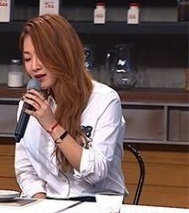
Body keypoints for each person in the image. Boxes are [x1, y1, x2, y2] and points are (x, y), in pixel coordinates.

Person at [14, 15, 127, 201]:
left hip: (95, 203)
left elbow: (97, 172)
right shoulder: (28, 105)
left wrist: (52, 126)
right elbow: (26, 170)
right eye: (28, 58)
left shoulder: (105, 100)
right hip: (48, 205)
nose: (34, 66)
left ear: (64, 54)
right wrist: (40, 204)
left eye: (42, 56)